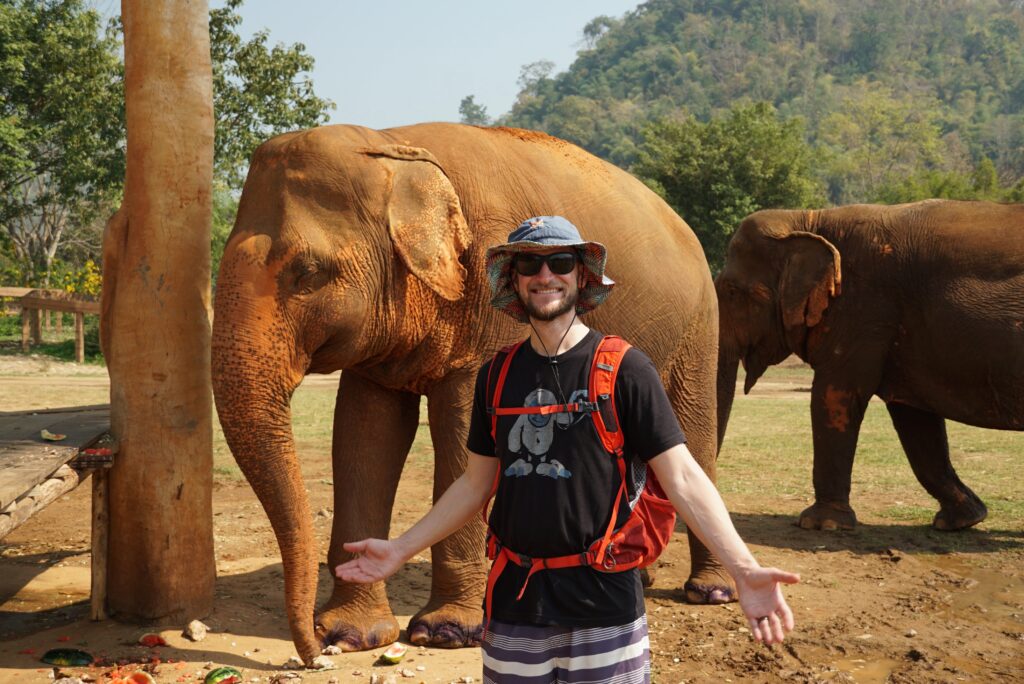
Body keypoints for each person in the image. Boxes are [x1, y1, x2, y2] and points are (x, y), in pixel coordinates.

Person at [336, 216, 799, 683]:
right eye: (529, 265)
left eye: (559, 262)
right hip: (514, 604)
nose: (544, 276)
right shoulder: (496, 377)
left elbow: (682, 476)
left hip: (604, 606)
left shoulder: (624, 369)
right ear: (513, 280)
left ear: (581, 275)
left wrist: (742, 569)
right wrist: (400, 549)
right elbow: (475, 485)